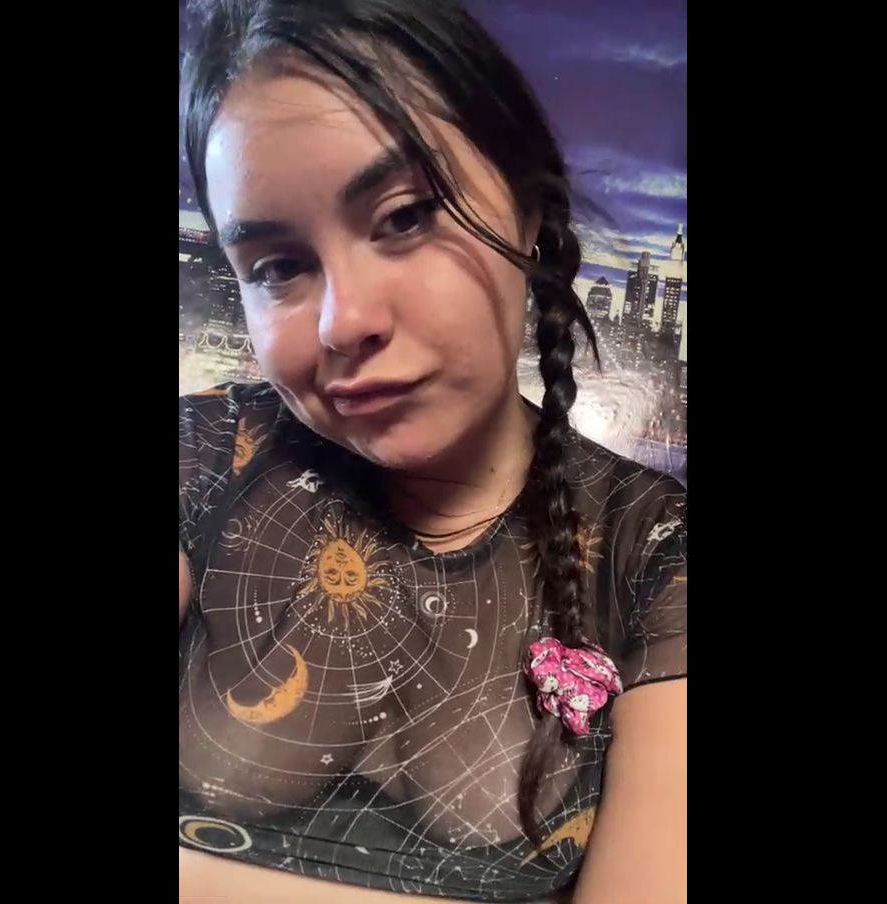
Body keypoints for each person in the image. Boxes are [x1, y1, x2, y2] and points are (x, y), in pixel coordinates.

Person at [178, 2, 686, 901]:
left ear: (530, 216)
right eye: (277, 267)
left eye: (406, 216)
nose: (344, 323)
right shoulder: (204, 452)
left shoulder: (657, 550)